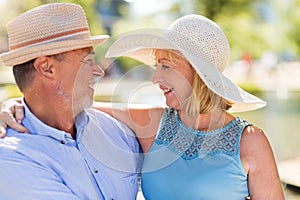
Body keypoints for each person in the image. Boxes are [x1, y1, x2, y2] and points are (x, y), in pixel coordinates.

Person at [0, 15, 285, 199]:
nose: (155, 77)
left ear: (199, 74)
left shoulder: (250, 141)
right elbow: (73, 106)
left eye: (165, 66)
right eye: (156, 65)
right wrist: (16, 104)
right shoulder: (152, 125)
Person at [0, 3, 141, 200]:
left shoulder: (116, 131)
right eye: (88, 61)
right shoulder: (11, 158)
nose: (99, 71)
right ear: (47, 68)